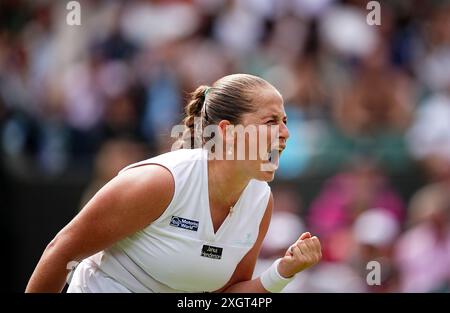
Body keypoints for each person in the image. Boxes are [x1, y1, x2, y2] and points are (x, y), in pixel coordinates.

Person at [25, 74, 322, 293]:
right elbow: (61, 252)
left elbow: (225, 297)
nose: (285, 133)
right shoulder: (160, 182)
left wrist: (283, 272)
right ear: (227, 132)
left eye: (285, 121)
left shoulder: (260, 202)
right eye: (270, 122)